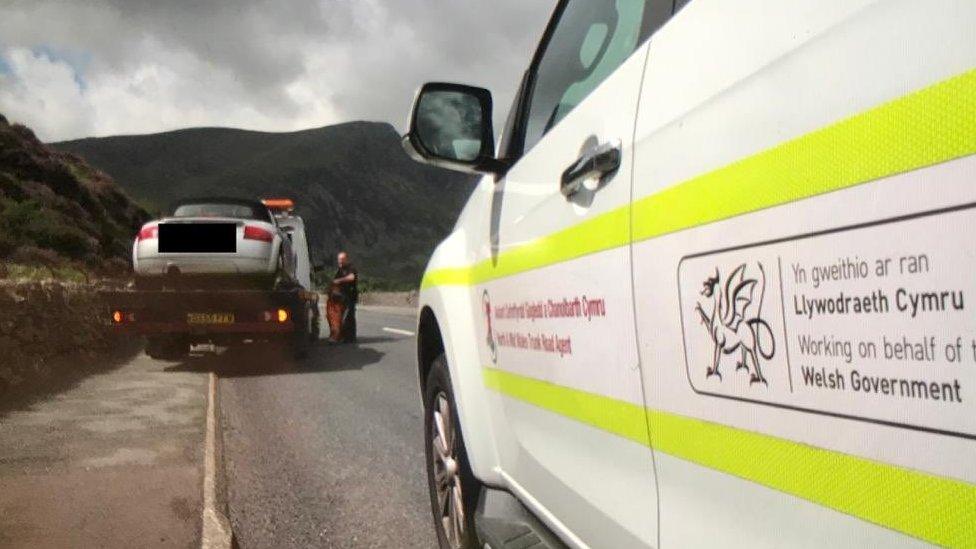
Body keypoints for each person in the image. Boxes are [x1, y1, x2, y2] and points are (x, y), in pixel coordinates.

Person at [332, 251, 358, 343]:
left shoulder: (351, 268)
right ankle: (345, 337)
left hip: (350, 297)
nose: (340, 261)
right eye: (339, 259)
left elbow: (351, 277)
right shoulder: (340, 270)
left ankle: (350, 338)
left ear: (346, 259)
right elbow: (334, 281)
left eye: (342, 259)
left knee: (348, 317)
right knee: (342, 317)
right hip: (342, 297)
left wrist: (340, 280)